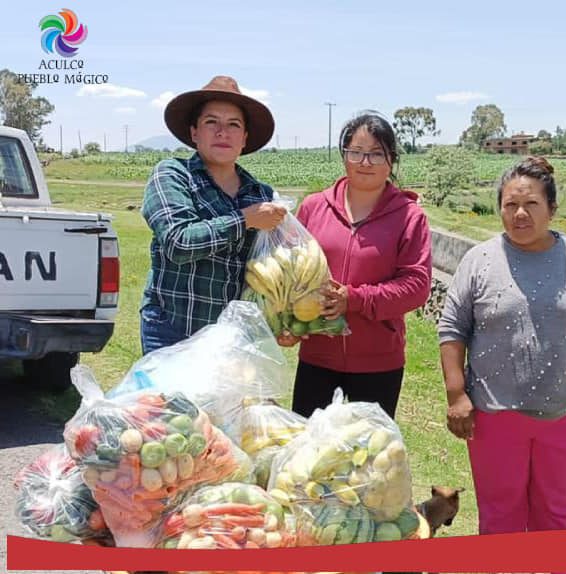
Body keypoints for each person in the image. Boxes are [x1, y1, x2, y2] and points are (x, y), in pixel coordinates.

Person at [437, 156, 566, 535]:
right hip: (494, 416)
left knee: (557, 515)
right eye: (510, 205)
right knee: (499, 517)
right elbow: (452, 329)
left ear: (552, 209)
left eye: (531, 204)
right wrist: (457, 395)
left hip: (565, 413)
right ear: (500, 209)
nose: (520, 213)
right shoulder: (479, 261)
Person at [279, 111, 432, 419]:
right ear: (344, 155)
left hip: (379, 362)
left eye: (377, 154)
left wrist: (354, 299)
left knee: (370, 458)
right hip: (317, 357)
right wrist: (288, 320)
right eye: (357, 152)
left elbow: (416, 286)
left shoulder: (409, 217)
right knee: (310, 458)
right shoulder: (313, 207)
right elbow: (289, 269)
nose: (365, 162)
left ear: (392, 160)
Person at [139, 76, 287, 355]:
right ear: (194, 133)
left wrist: (285, 316)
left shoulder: (261, 193)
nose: (223, 132)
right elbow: (178, 243)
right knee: (169, 401)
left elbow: (270, 272)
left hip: (234, 338)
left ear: (244, 138)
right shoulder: (172, 175)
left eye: (234, 125)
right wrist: (245, 219)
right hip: (173, 331)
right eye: (211, 122)